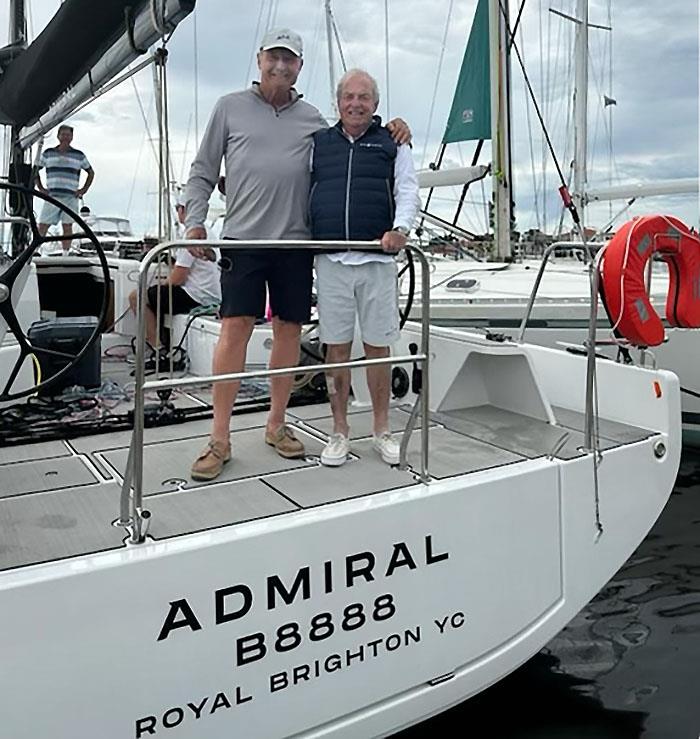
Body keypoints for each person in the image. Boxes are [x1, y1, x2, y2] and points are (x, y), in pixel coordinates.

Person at [184, 27, 410, 481]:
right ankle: (219, 438)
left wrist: (394, 126)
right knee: (235, 331)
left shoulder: (313, 120)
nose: (281, 66)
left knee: (288, 332)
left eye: (290, 60)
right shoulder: (229, 107)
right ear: (260, 59)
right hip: (244, 241)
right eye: (274, 58)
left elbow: (353, 135)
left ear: (300, 68)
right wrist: (194, 222)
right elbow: (203, 170)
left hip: (297, 244)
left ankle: (276, 425)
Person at [309, 69, 421, 467]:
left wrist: (401, 229)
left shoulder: (392, 142)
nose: (355, 104)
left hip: (377, 259)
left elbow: (407, 189)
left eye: (364, 97)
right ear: (338, 103)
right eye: (348, 97)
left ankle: (382, 430)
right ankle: (339, 431)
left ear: (375, 104)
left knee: (378, 346)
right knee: (336, 348)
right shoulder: (319, 143)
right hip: (332, 259)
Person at [128, 201, 220, 350]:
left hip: (196, 297)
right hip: (212, 295)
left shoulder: (190, 237)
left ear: (183, 210)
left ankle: (158, 349)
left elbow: (178, 279)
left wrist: (159, 286)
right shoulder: (208, 232)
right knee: (157, 295)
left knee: (137, 297)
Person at [36, 124, 95, 255]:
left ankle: (65, 254)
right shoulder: (48, 153)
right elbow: (35, 171)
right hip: (52, 196)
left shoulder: (79, 155)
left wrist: (83, 190)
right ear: (58, 136)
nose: (66, 137)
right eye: (63, 134)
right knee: (43, 224)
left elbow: (91, 172)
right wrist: (40, 188)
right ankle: (35, 250)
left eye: (68, 135)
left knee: (67, 226)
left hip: (70, 196)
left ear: (72, 137)